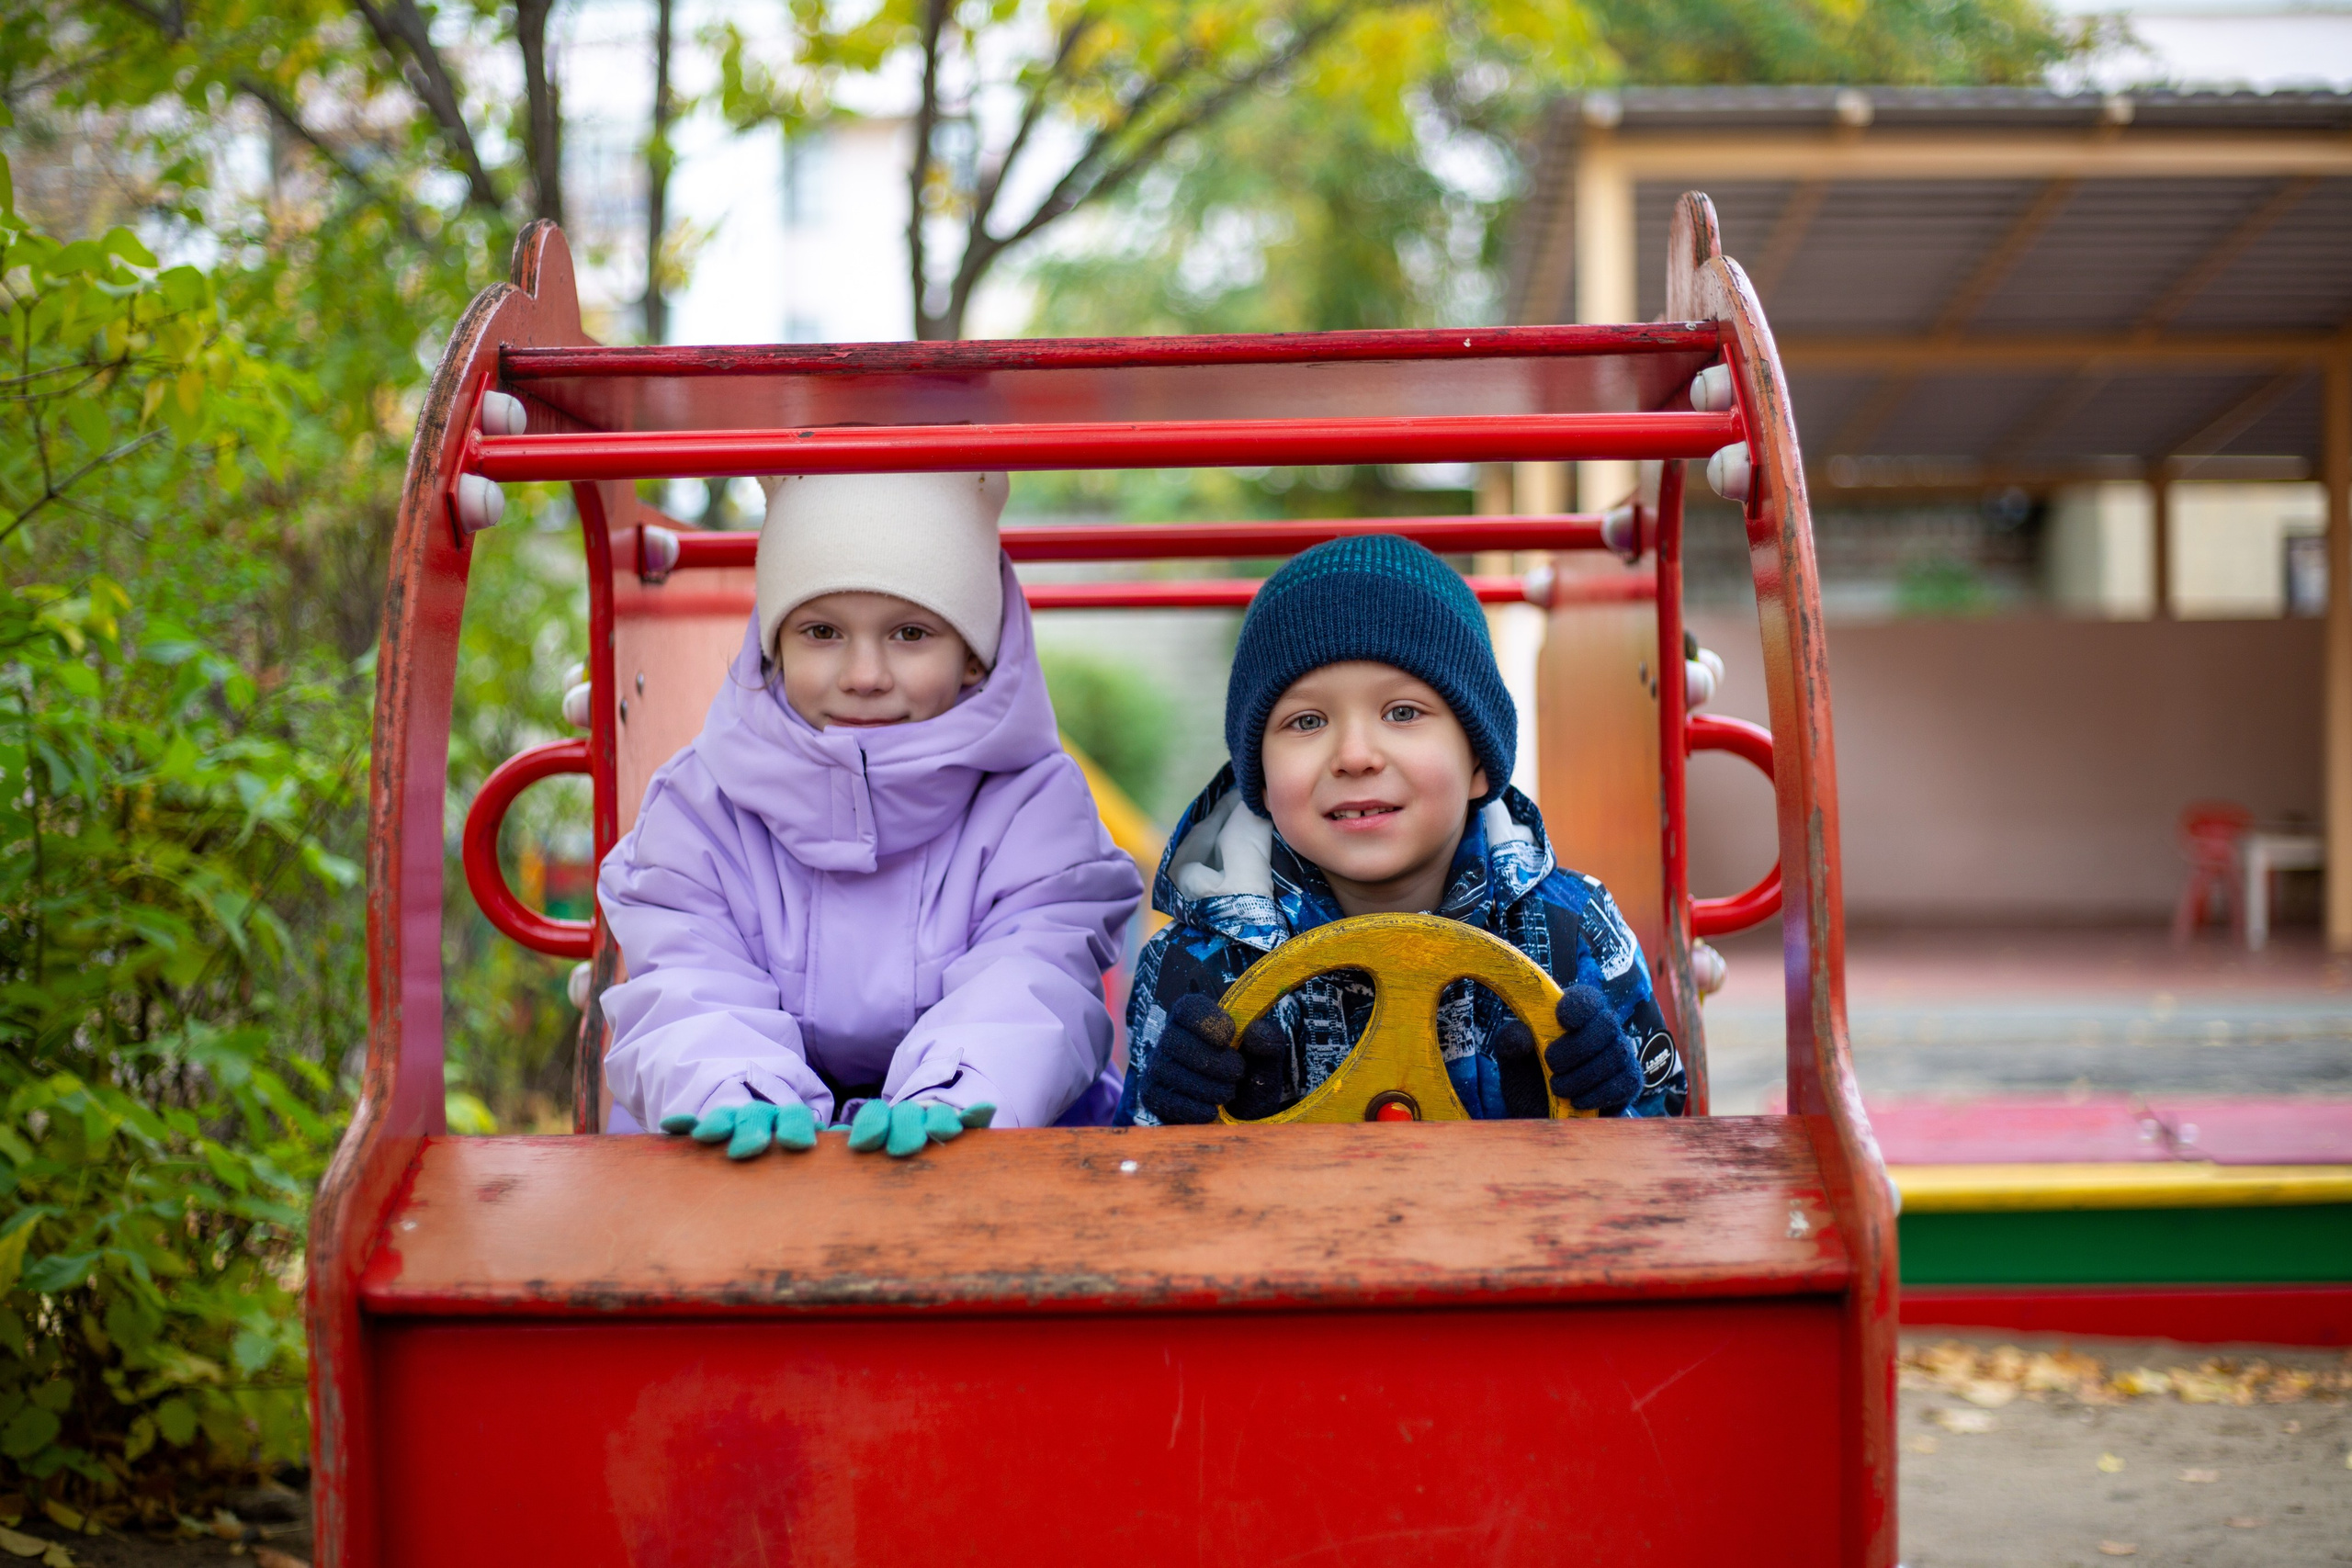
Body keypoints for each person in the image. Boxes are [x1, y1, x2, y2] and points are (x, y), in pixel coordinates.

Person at [597, 470, 1143, 1158]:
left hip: (983, 1119)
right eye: (822, 630)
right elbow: (683, 972)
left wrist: (962, 1084)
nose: (863, 673)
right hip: (749, 1129)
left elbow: (1036, 973)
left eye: (909, 633)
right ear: (774, 645)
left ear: (973, 656)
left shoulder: (1034, 804)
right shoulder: (701, 803)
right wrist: (732, 1083)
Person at [1116, 535, 1686, 1127]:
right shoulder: (1194, 962)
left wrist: (1612, 1101)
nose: (1356, 755)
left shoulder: (1574, 929)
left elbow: (1669, 1137)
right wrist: (1180, 1124)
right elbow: (1133, 1178)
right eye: (1307, 721)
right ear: (1258, 780)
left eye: (1403, 713)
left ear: (1479, 763)